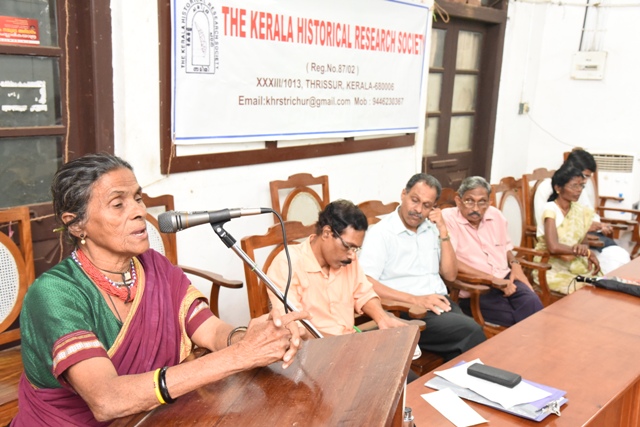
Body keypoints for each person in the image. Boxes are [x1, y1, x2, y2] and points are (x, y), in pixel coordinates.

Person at [13, 154, 308, 426]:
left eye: (138, 198)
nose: (140, 211)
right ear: (77, 225)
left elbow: (211, 331)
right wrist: (240, 356)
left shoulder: (154, 266)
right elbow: (107, 400)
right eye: (118, 204)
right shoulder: (54, 293)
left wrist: (252, 338)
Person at [359, 173, 486, 362]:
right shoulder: (381, 233)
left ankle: (454, 380)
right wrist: (415, 299)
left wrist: (443, 230)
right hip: (406, 310)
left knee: (461, 350)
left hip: (439, 304)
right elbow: (366, 282)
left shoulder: (431, 228)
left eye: (426, 205)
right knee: (472, 332)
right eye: (415, 200)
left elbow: (450, 275)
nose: (418, 210)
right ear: (404, 194)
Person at [266, 199, 407, 337]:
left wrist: (383, 318)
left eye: (356, 249)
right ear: (327, 233)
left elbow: (364, 293)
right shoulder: (287, 264)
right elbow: (294, 327)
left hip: (348, 342)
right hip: (313, 347)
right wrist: (343, 344)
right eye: (348, 246)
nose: (352, 255)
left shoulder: (347, 260)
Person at [441, 176, 543, 326]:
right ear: (458, 201)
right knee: (516, 319)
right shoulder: (448, 218)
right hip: (476, 288)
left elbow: (505, 247)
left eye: (482, 202)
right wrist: (491, 279)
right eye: (469, 201)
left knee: (534, 305)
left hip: (506, 279)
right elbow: (451, 262)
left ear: (489, 202)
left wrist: (515, 264)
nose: (475, 209)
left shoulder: (495, 215)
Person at [534, 163, 601, 295]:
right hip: (551, 268)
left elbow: (584, 243)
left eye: (581, 186)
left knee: (602, 286)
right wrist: (584, 252)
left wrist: (584, 249)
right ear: (558, 188)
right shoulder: (550, 209)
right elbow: (553, 247)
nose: (579, 190)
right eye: (574, 186)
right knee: (586, 292)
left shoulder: (579, 210)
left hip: (575, 266)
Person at [564, 148, 631, 273]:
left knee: (621, 257)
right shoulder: (557, 190)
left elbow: (588, 213)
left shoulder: (579, 188)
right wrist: (588, 226)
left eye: (588, 177)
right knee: (617, 260)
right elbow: (562, 225)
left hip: (591, 235)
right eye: (584, 176)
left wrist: (600, 225)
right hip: (580, 238)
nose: (585, 181)